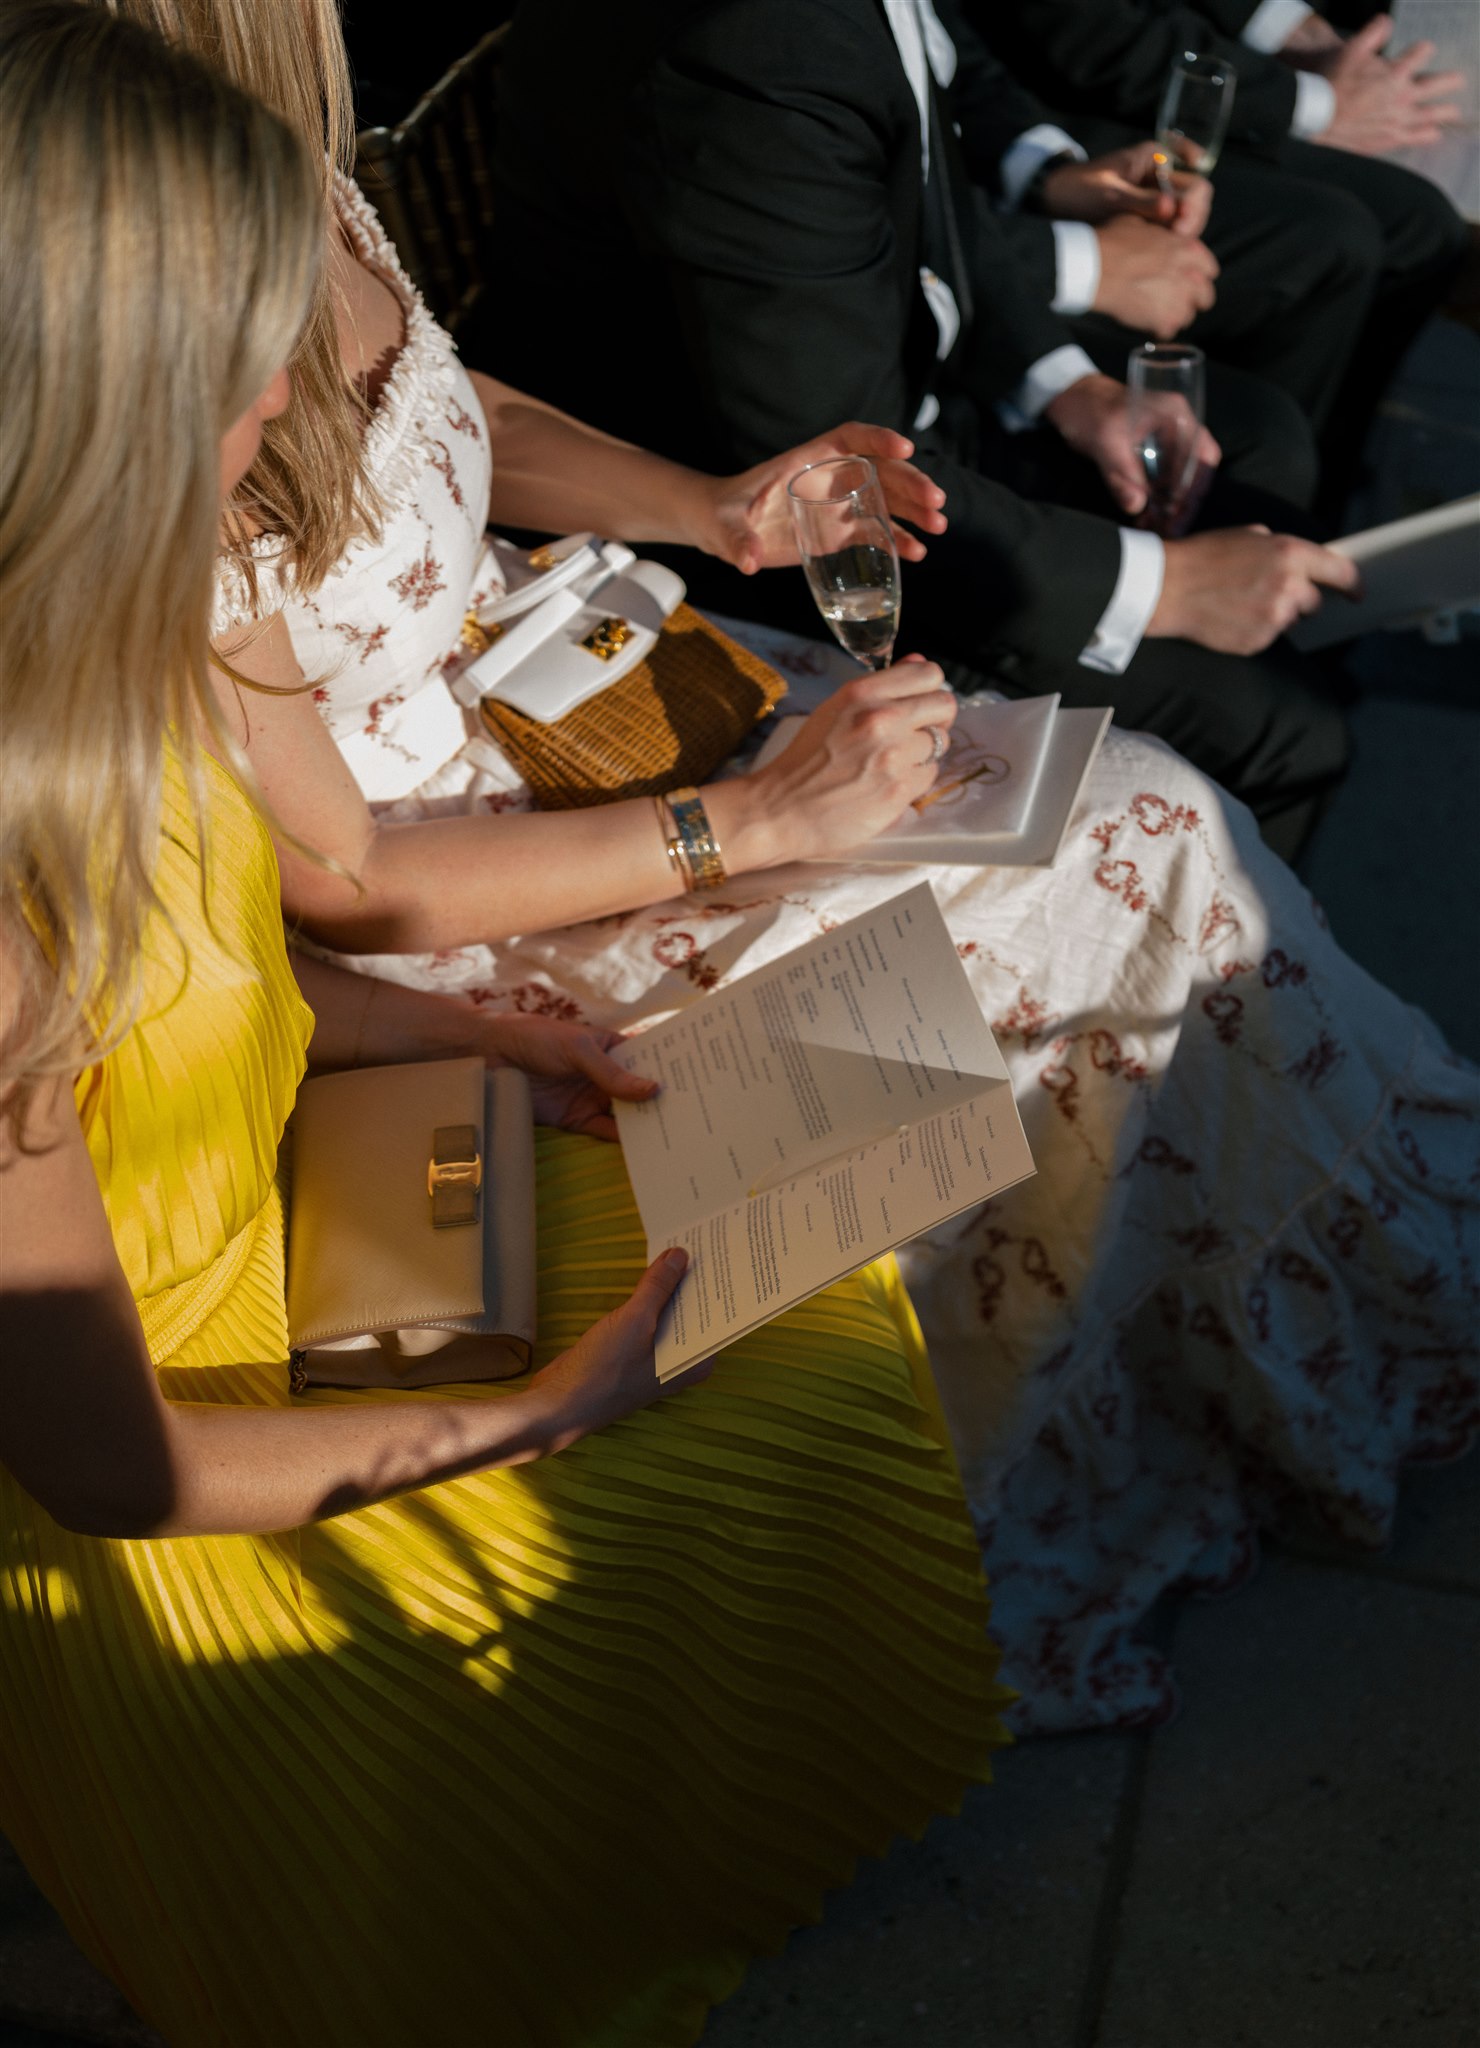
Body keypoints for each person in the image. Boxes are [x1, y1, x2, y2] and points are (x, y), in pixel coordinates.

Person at [96, 0, 1478, 1732]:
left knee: (1150, 812)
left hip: (575, 674)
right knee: (1043, 930)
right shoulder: (152, 346)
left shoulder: (295, 178)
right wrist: (755, 825)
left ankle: (1243, 1361)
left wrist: (718, 506)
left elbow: (465, 404)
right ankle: (949, 1542)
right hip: (482, 894)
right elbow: (349, 881)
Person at [0, 12, 1009, 2047]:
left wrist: (454, 1045)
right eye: (234, 361)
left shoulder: (126, 615)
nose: (287, 392)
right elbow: (114, 1471)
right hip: (219, 1450)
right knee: (786, 1368)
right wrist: (539, 1425)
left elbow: (226, 955)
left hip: (334, 1191)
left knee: (850, 1165)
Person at [491, 0, 1363, 853]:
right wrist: (1160, 588)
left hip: (896, 425)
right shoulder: (753, 50)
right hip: (768, 543)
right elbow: (833, 482)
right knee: (1289, 730)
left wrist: (1066, 386)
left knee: (1256, 439)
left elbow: (922, 174)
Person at [973, 0, 1469, 501]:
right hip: (1055, 114)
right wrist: (1089, 259)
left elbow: (952, 64)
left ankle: (1313, 499)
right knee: (1329, 255)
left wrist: (1050, 175)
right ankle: (1269, 523)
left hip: (1026, 141)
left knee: (1413, 227)